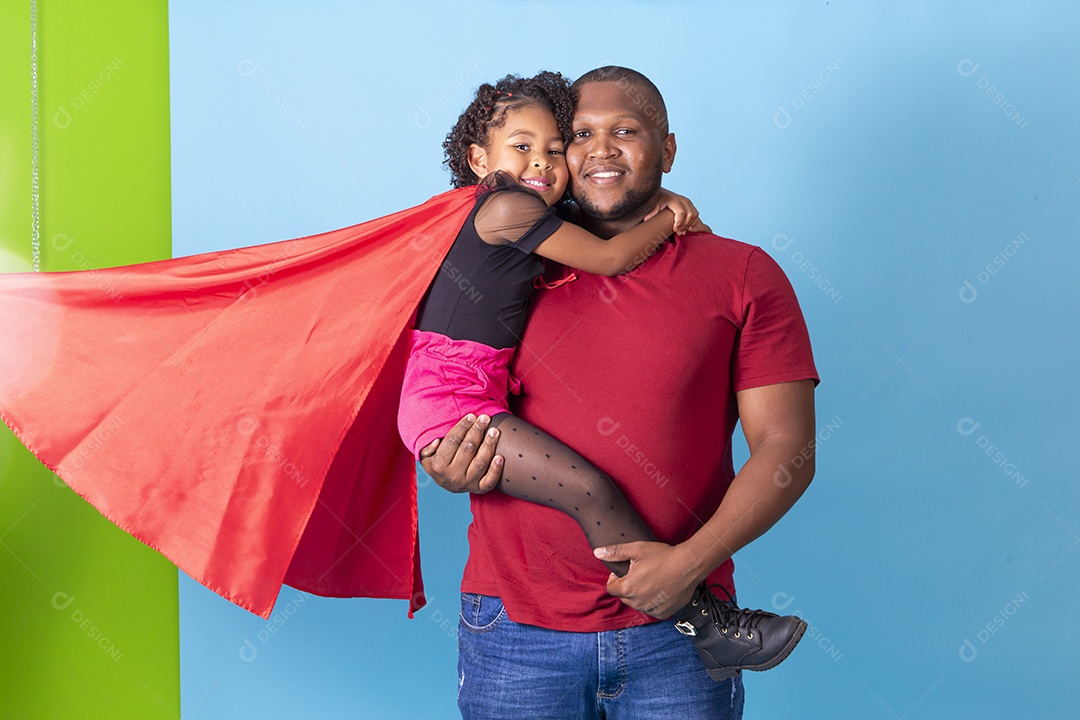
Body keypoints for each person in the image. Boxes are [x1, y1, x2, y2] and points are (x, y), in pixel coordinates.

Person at [420, 66, 819, 719]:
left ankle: (707, 621)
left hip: (678, 642)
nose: (601, 150)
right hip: (515, 629)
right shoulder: (505, 261)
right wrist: (443, 459)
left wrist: (690, 562)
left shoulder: (743, 274)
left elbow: (788, 449)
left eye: (626, 131)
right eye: (578, 134)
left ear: (666, 150)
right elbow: (440, 369)